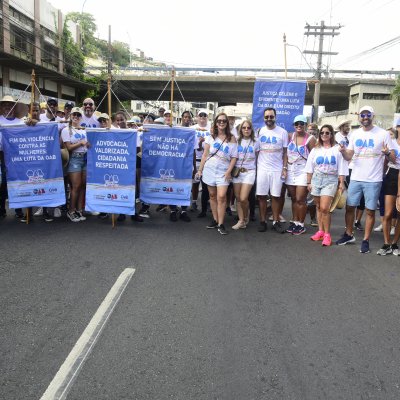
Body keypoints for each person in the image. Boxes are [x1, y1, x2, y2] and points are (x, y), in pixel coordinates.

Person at [336, 106, 395, 253]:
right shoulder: (355, 134)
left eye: (368, 114)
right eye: (362, 115)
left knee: (369, 211)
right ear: (359, 117)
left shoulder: (382, 134)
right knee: (350, 207)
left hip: (374, 179)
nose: (365, 117)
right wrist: (343, 152)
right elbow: (350, 156)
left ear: (372, 116)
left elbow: (393, 157)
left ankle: (366, 240)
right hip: (356, 177)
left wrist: (387, 153)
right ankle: (349, 234)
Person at [305, 124, 347, 246]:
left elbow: (342, 167)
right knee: (318, 207)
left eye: (327, 133)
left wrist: (341, 183)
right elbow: (309, 167)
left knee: (325, 208)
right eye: (322, 133)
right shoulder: (315, 149)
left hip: (330, 179)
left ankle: (327, 234)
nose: (324, 135)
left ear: (331, 134)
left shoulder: (337, 149)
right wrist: (308, 182)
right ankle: (320, 231)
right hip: (316, 179)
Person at [197, 112, 238, 235]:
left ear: (227, 123)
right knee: (212, 196)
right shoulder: (210, 137)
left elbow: (234, 157)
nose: (221, 123)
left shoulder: (232, 138)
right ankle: (215, 220)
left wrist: (229, 172)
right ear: (215, 122)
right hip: (209, 169)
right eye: (219, 121)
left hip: (223, 171)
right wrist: (200, 170)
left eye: (224, 121)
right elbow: (205, 155)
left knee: (221, 196)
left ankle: (221, 223)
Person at [256, 107, 288, 234]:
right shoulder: (259, 131)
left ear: (275, 117)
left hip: (277, 169)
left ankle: (276, 221)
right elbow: (256, 151)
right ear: (264, 118)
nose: (269, 119)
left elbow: (285, 153)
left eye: (271, 116)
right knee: (262, 196)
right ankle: (263, 221)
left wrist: (284, 168)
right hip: (262, 168)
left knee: (276, 196)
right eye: (267, 117)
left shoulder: (283, 132)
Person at [285, 115, 317, 235]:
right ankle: (294, 221)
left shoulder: (311, 139)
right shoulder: (290, 136)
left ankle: (301, 224)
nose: (299, 126)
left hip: (303, 171)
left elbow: (314, 157)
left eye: (302, 123)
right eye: (297, 123)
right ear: (294, 125)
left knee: (300, 199)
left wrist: (311, 176)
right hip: (290, 170)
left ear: (305, 125)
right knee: (293, 199)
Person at [335, 118, 365, 231]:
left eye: (348, 126)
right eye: (346, 126)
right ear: (341, 127)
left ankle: (357, 221)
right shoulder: (337, 137)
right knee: (344, 193)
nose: (348, 128)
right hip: (341, 168)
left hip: (354, 167)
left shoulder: (353, 136)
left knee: (360, 196)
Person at [61, 107, 89, 222]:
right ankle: (71, 211)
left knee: (82, 186)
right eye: (74, 115)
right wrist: (81, 142)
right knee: (75, 186)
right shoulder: (66, 130)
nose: (76, 117)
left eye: (78, 115)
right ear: (70, 116)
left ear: (81, 117)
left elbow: (88, 144)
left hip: (85, 158)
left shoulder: (84, 129)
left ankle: (79, 209)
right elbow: (68, 147)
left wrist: (88, 144)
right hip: (74, 159)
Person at [376, 124, 400, 255]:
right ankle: (386, 243)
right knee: (388, 213)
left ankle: (395, 243)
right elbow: (385, 163)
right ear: (397, 128)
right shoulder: (391, 143)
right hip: (391, 176)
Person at [232, 120, 259, 229]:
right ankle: (241, 220)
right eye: (244, 128)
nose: (246, 130)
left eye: (248, 128)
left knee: (243, 198)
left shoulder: (256, 142)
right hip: (237, 172)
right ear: (240, 129)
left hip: (250, 172)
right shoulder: (236, 141)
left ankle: (246, 216)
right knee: (238, 198)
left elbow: (259, 158)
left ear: (251, 129)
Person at [0, 95, 24, 219]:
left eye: (10, 104)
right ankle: (1, 208)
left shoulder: (20, 122)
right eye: (5, 104)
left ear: (14, 107)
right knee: (3, 182)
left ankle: (18, 209)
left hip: (17, 156)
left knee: (17, 181)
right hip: (2, 155)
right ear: (2, 107)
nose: (7, 107)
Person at [193, 109, 211, 216]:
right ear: (197, 117)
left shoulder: (212, 128)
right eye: (200, 115)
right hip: (195, 159)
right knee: (195, 183)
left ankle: (207, 203)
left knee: (206, 185)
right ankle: (194, 201)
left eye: (204, 116)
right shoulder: (192, 128)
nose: (202, 117)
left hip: (208, 160)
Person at [306, 123, 319, 227]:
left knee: (311, 197)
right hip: (302, 171)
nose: (312, 132)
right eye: (310, 130)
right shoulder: (305, 139)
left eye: (314, 130)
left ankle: (313, 218)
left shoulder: (321, 141)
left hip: (315, 173)